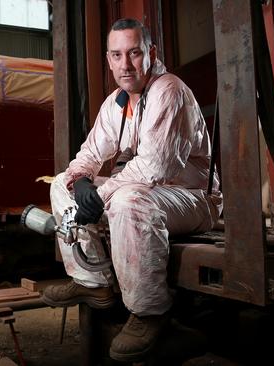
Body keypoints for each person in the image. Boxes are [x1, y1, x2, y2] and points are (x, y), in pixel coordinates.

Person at [41, 18, 222, 362]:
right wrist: (80, 181)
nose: (126, 65)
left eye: (134, 53)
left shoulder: (168, 90)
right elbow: (90, 154)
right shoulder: (117, 103)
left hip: (192, 198)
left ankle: (149, 313)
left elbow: (156, 168)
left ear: (150, 53)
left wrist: (100, 196)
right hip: (146, 192)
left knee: (128, 199)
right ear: (109, 59)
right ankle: (93, 282)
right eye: (117, 55)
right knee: (61, 185)